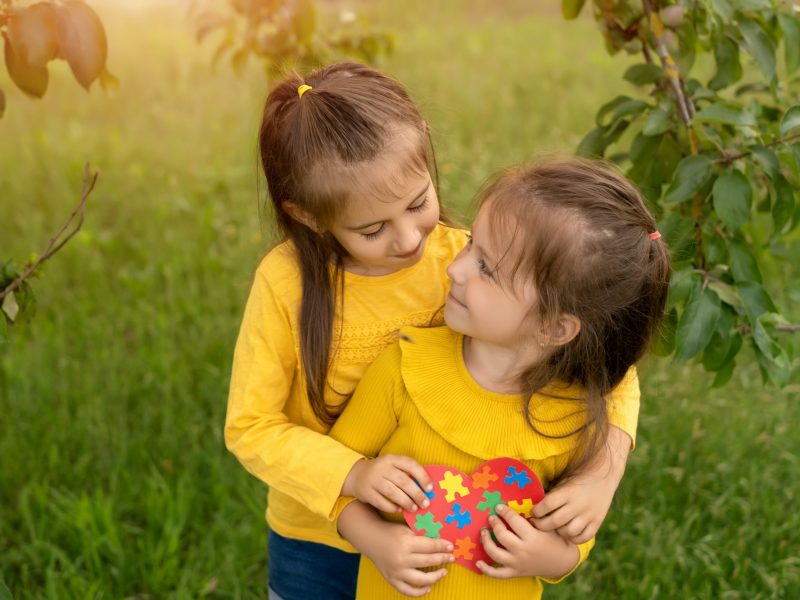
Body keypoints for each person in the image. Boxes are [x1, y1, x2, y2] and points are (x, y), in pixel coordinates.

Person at [225, 61, 640, 600]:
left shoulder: (473, 264)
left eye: (419, 202)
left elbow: (610, 362)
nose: (408, 238)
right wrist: (353, 477)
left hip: (441, 539)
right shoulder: (288, 286)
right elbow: (251, 426)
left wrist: (600, 476)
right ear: (307, 216)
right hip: (316, 538)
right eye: (372, 228)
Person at [329, 157, 671, 599]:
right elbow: (337, 478)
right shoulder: (406, 367)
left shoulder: (572, 415)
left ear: (554, 328)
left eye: (487, 268)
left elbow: (573, 540)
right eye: (472, 244)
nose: (456, 268)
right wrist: (376, 541)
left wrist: (545, 557)